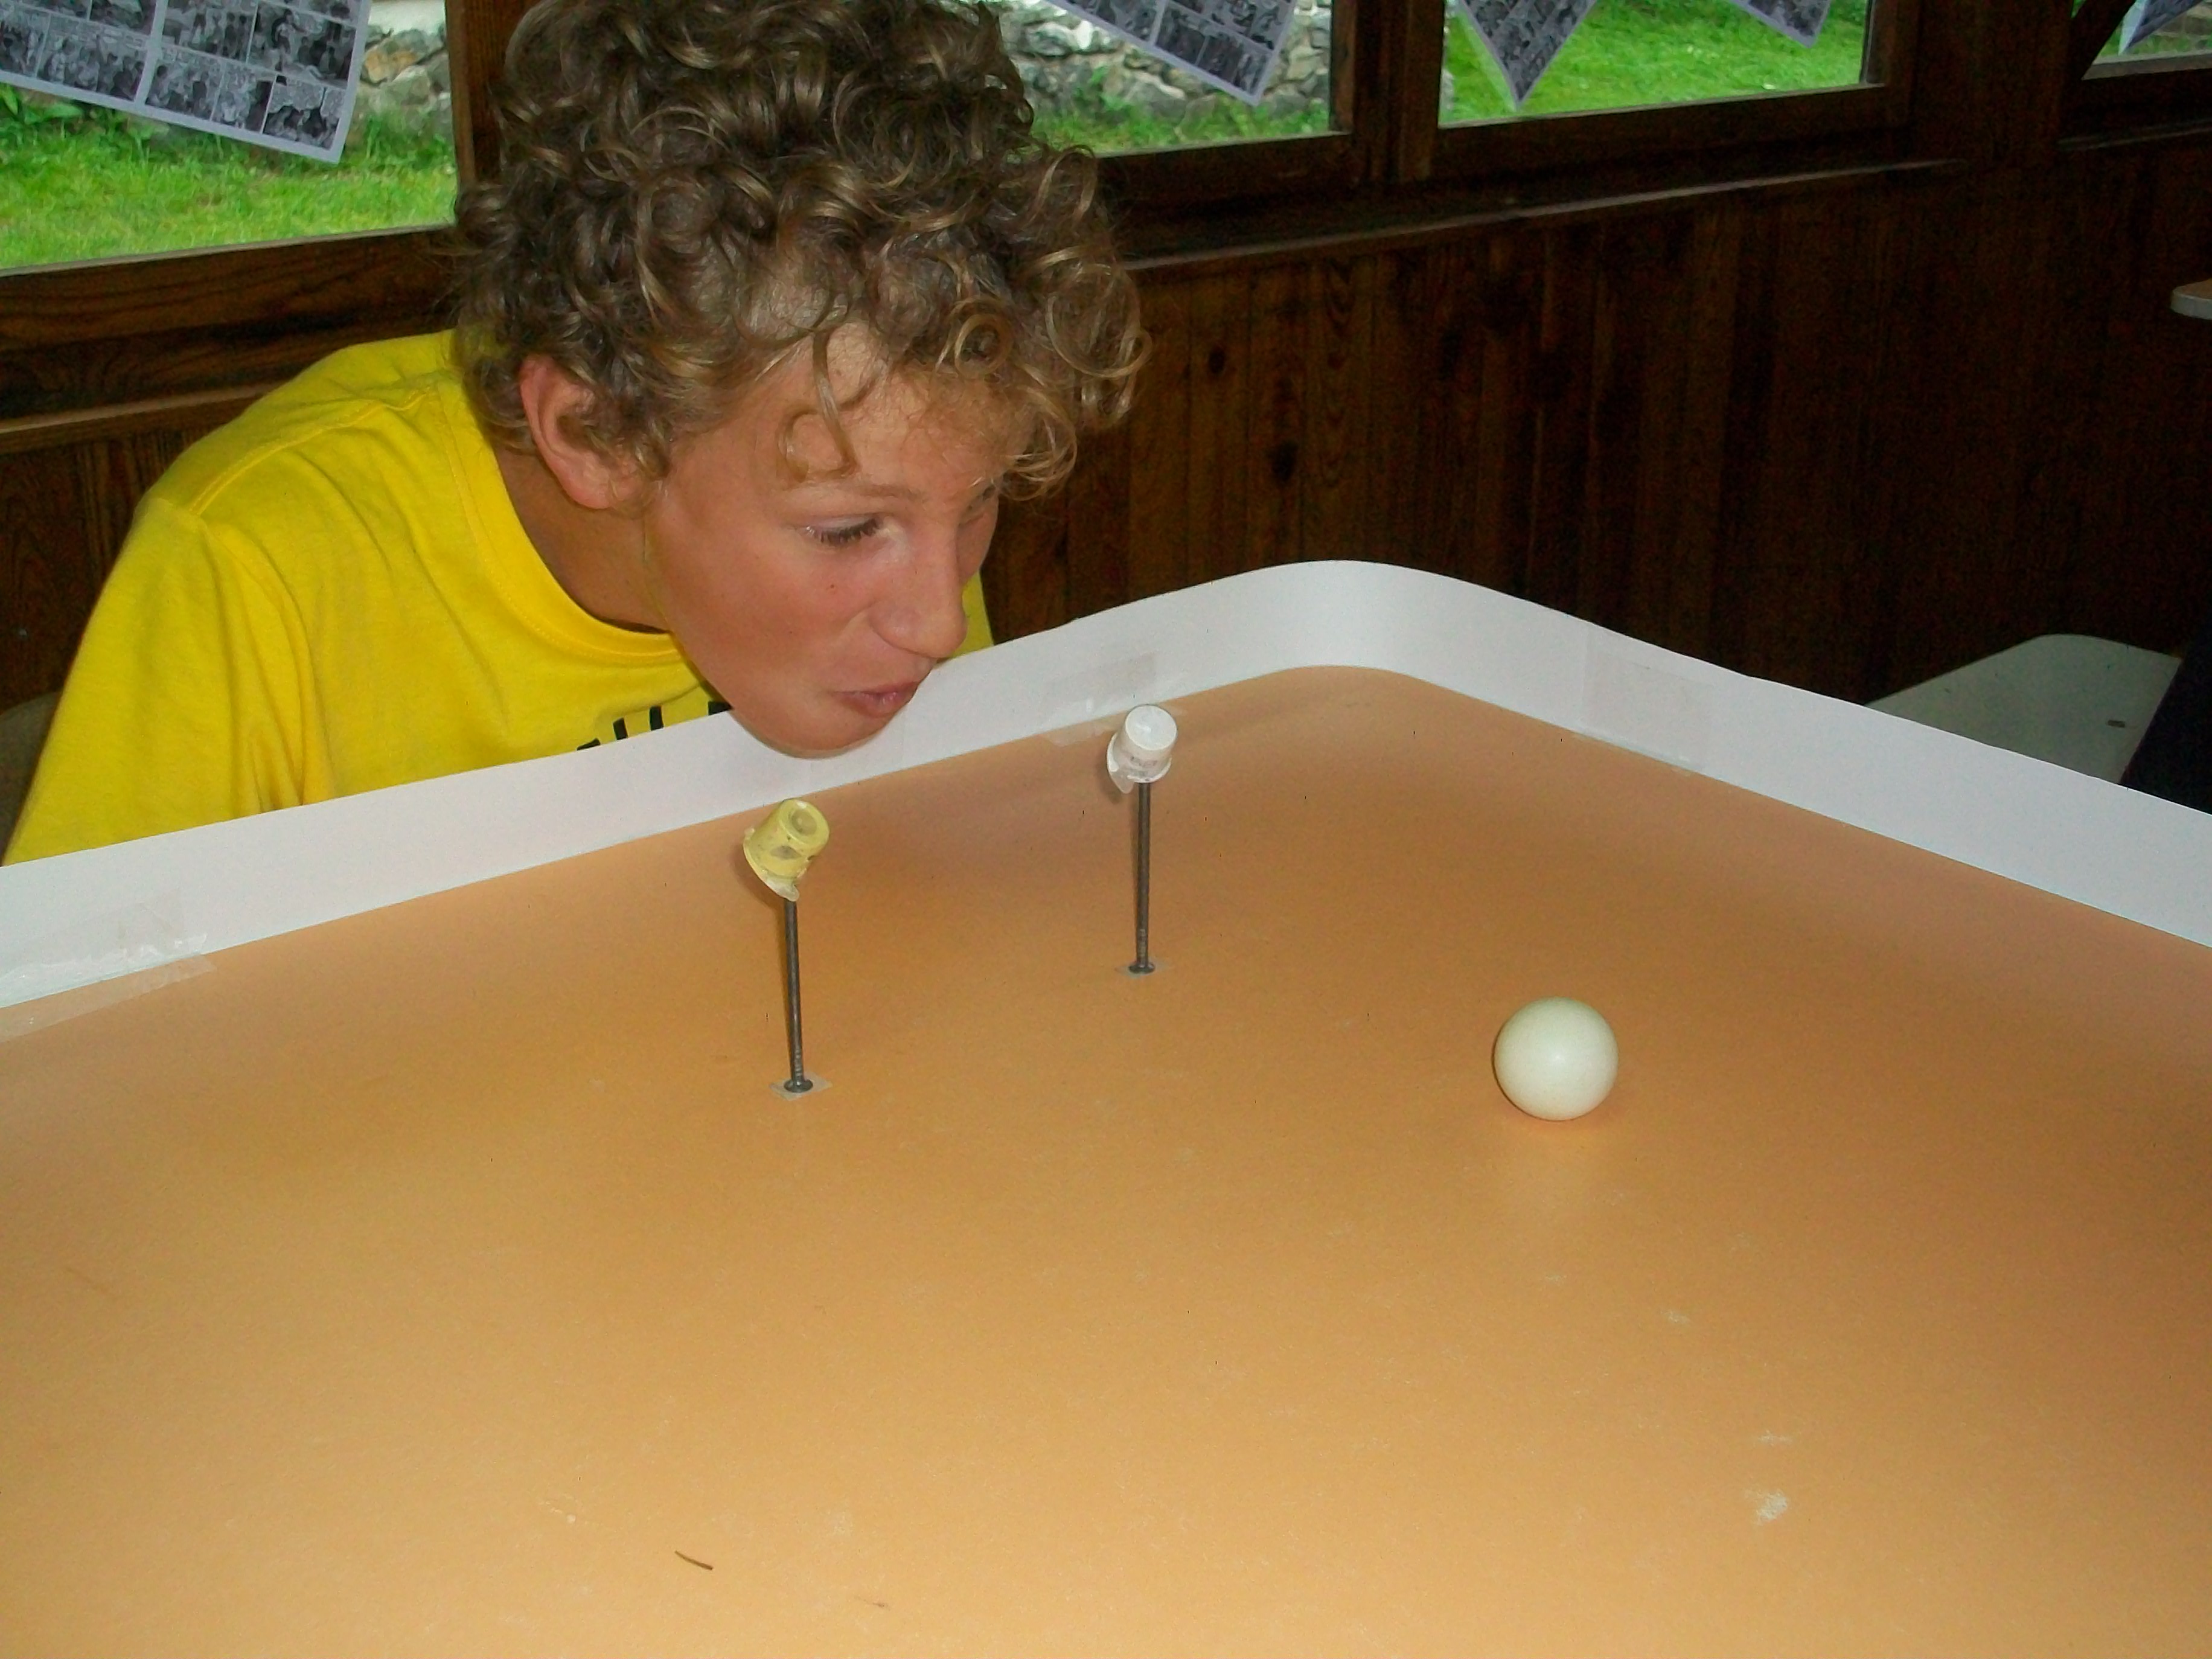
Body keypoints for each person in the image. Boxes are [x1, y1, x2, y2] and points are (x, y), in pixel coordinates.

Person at [6, 0, 1144, 863]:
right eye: (848, 532)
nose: (940, 622)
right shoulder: (251, 562)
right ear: (596, 434)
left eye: (981, 501)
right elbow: (74, 1050)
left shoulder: (903, 490)